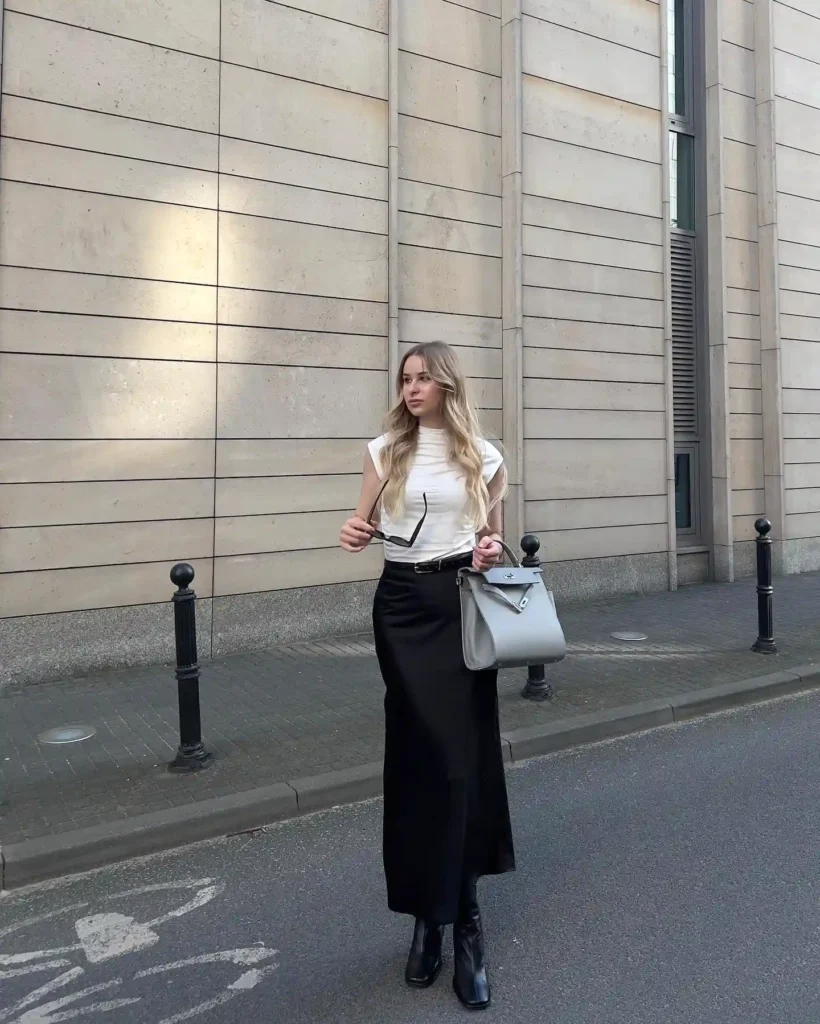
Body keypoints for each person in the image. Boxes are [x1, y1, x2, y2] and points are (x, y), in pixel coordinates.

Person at [339, 341, 515, 1010]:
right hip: (403, 609)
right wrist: (352, 532)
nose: (412, 388)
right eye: (405, 379)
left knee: (459, 762)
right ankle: (425, 917)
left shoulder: (485, 456)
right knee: (419, 761)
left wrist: (491, 547)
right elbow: (362, 525)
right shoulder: (385, 450)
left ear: (447, 385)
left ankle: (464, 921)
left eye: (423, 379)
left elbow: (492, 549)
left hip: (459, 607)